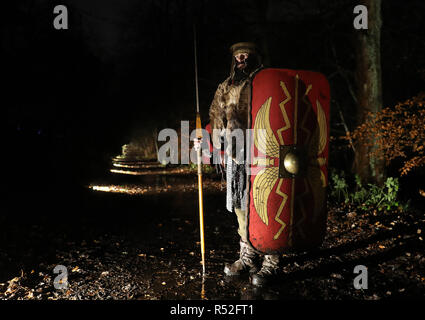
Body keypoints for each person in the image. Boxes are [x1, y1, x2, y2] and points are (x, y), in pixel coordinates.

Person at [207, 42, 281, 286]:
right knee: (240, 203)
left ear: (254, 56)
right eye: (238, 55)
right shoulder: (225, 87)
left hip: (264, 151)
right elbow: (216, 116)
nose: (241, 58)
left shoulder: (267, 82)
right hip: (235, 152)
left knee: (266, 201)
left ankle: (271, 260)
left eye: (246, 55)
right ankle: (248, 256)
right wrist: (209, 141)